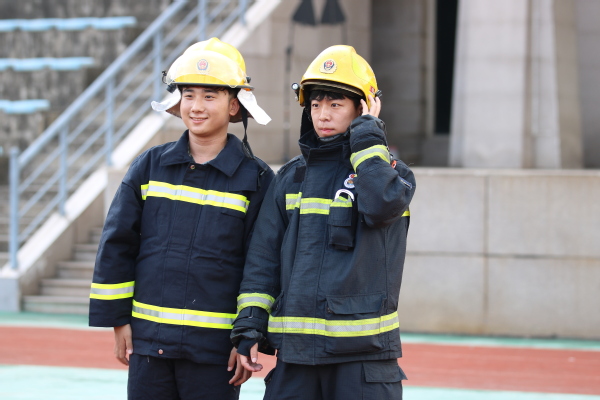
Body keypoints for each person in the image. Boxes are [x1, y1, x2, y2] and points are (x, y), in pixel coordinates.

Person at [88, 37, 274, 400]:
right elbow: (117, 243)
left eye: (210, 96)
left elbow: (262, 263)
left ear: (234, 104)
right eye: (189, 95)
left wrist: (247, 335)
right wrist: (118, 319)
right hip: (149, 344)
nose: (196, 106)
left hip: (215, 351)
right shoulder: (149, 167)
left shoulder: (258, 180)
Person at [230, 45, 416, 400]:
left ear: (363, 107)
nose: (322, 115)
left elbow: (381, 206)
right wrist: (251, 323)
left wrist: (367, 138)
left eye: (335, 104)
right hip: (296, 360)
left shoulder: (391, 174)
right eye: (315, 105)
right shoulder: (291, 178)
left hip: (362, 361)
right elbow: (263, 259)